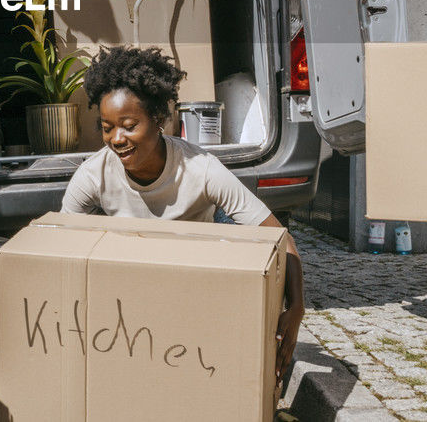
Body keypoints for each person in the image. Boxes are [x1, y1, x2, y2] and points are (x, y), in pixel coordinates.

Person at [61, 45, 306, 385]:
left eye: (129, 125)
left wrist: (296, 309)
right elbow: (58, 249)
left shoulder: (200, 168)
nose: (116, 138)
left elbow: (280, 238)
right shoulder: (93, 175)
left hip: (195, 288)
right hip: (129, 293)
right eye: (106, 127)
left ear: (159, 120)